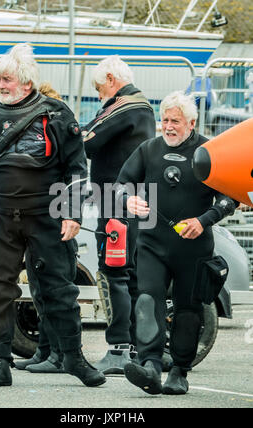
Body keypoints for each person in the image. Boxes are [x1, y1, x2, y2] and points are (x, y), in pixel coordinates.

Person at [0, 43, 106, 388]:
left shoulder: (56, 114)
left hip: (46, 216)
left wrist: (72, 214)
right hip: (0, 217)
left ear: (24, 82)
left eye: (6, 79)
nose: (0, 86)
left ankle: (74, 359)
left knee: (60, 290)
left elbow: (77, 170)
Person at [116, 91, 238, 395]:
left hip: (193, 247)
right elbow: (119, 185)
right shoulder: (149, 150)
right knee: (147, 300)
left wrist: (204, 220)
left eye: (175, 121)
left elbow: (230, 196)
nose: (168, 126)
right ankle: (151, 367)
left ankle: (180, 371)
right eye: (165, 119)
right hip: (152, 242)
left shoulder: (210, 150)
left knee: (188, 308)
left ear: (192, 122)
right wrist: (128, 200)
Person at [82, 55, 156, 374]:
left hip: (116, 201)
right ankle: (142, 348)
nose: (100, 96)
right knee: (135, 274)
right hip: (136, 200)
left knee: (114, 271)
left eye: (99, 89)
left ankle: (118, 349)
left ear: (111, 80)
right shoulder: (143, 106)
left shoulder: (124, 106)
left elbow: (87, 139)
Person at [14, 82, 65, 374]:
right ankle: (45, 351)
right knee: (38, 289)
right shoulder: (38, 137)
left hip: (54, 220)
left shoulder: (59, 137)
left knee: (54, 290)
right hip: (37, 219)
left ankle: (58, 354)